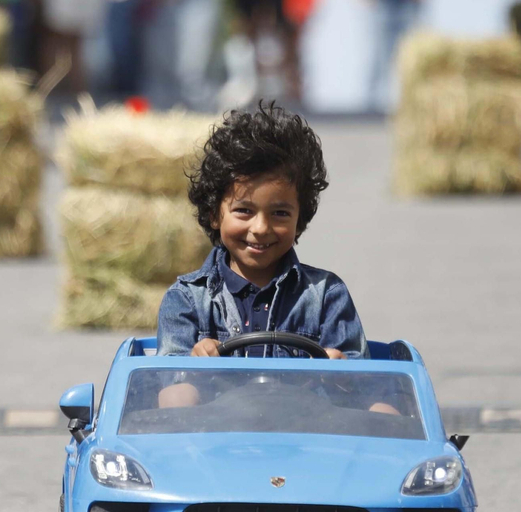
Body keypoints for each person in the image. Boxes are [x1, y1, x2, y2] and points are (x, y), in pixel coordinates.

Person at [156, 102, 366, 360]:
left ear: (299, 220)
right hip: (217, 402)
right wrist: (191, 368)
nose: (261, 228)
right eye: (244, 211)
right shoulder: (186, 300)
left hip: (300, 402)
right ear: (214, 214)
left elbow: (361, 385)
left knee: (383, 404)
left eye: (280, 213)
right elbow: (169, 392)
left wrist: (342, 369)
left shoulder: (326, 297)